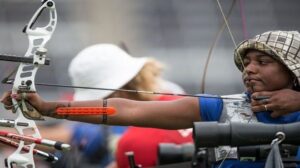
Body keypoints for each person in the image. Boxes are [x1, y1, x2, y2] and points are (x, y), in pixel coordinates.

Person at [2, 30, 300, 167]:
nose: (249, 69)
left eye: (263, 62)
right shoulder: (221, 108)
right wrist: (50, 107)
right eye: (246, 62)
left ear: (292, 70)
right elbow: (125, 110)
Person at [67, 43, 193, 168]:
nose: (97, 111)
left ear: (116, 95)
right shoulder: (188, 103)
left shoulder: (131, 144)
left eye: (99, 103)